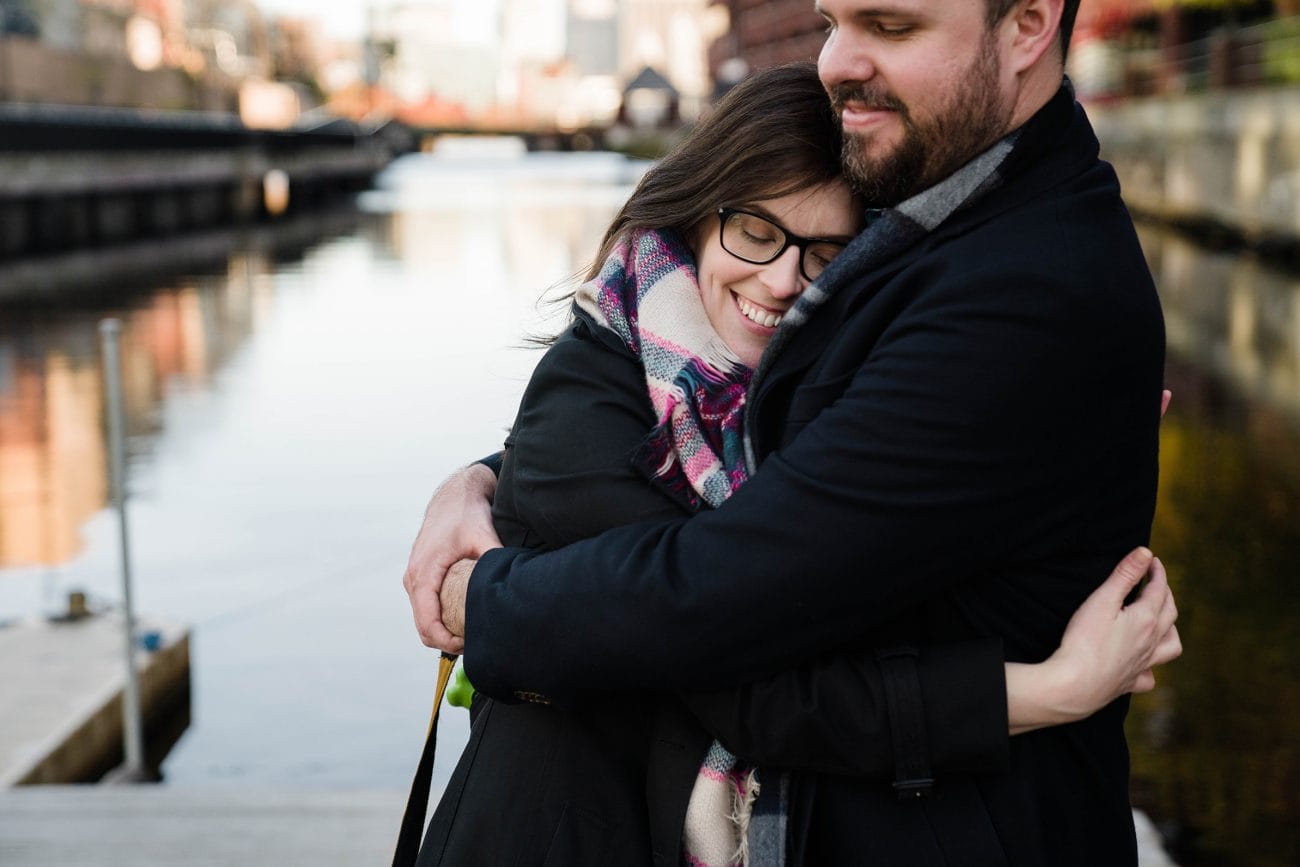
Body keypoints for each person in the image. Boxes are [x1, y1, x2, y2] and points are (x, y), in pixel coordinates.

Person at [411, 1, 1175, 863]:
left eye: (889, 27)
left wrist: (486, 599)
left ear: (1029, 24)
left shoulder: (1022, 293)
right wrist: (494, 475)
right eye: (831, 21)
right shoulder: (932, 218)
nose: (837, 62)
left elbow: (723, 599)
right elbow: (750, 484)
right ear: (695, 219)